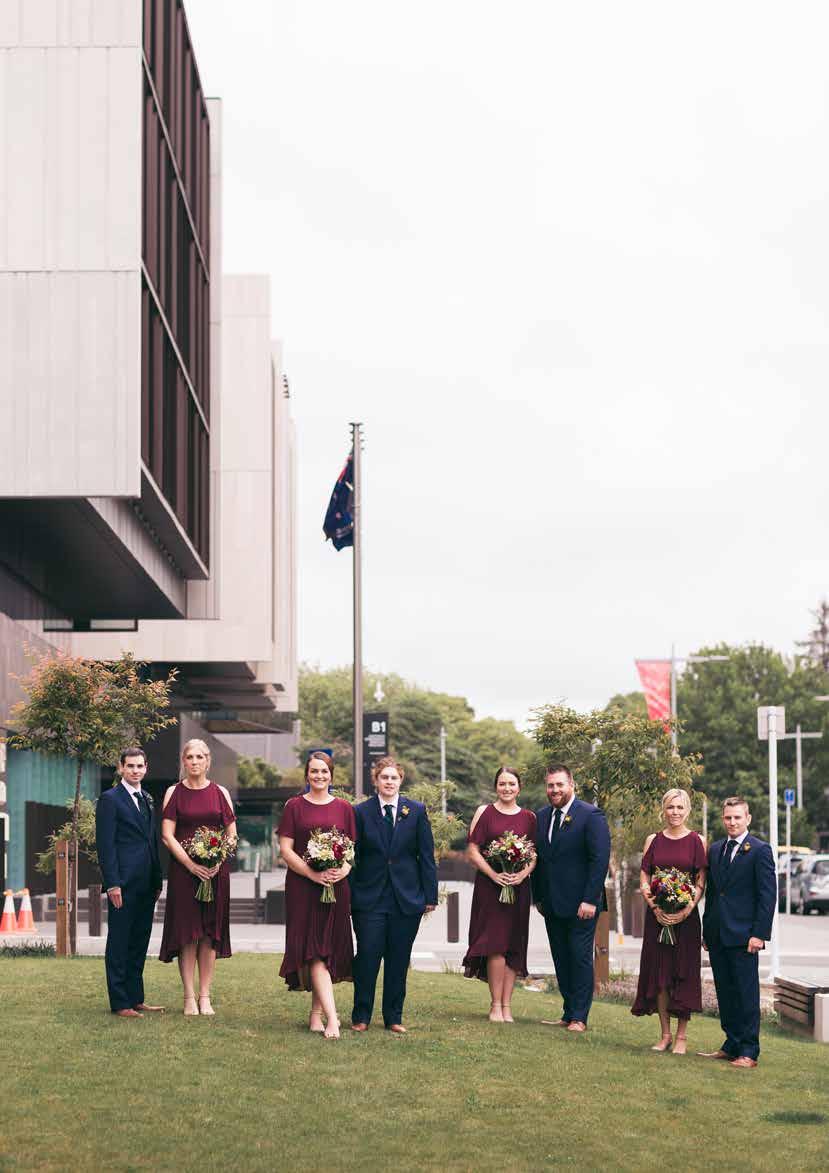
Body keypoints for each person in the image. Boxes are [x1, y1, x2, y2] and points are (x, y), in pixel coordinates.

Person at [350, 756, 437, 1033]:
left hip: (406, 898)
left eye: (394, 778)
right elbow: (353, 856)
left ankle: (394, 1018)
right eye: (384, 777)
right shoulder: (360, 812)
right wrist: (351, 894)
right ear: (375, 780)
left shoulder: (416, 811)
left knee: (398, 960)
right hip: (370, 898)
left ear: (401, 781)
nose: (389, 782)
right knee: (367, 957)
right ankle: (361, 1016)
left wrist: (430, 896)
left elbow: (426, 856)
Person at [278, 752, 356, 1039]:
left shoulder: (344, 808)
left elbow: (351, 850)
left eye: (324, 771)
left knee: (325, 950)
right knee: (314, 951)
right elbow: (286, 850)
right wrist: (312, 875)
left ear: (331, 775)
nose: (319, 776)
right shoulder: (294, 806)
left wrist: (343, 871)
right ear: (307, 775)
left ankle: (315, 1014)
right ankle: (333, 1019)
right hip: (303, 888)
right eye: (314, 771)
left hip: (336, 889)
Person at [531, 762, 611, 1033]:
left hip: (582, 904)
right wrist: (538, 897)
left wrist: (590, 899)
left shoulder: (591, 815)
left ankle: (579, 1017)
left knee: (579, 957)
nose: (554, 790)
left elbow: (599, 860)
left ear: (571, 785)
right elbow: (541, 860)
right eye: (550, 785)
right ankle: (568, 1012)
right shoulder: (542, 816)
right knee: (561, 958)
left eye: (559, 785)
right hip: (551, 903)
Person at [159, 739, 237, 1015]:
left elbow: (231, 834)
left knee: (209, 935)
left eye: (199, 757)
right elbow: (167, 835)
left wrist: (218, 859)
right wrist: (191, 865)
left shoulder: (220, 793)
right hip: (184, 874)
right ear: (184, 761)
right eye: (190, 757)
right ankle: (189, 997)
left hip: (215, 873)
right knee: (187, 934)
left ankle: (205, 996)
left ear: (208, 761)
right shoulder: (174, 792)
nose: (194, 762)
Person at [700, 796, 776, 1068]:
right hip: (718, 934)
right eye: (728, 817)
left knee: (746, 995)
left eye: (737, 817)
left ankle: (748, 1051)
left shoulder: (760, 850)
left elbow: (767, 896)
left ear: (748, 819)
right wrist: (707, 930)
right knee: (726, 993)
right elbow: (713, 894)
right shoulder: (715, 850)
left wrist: (759, 934)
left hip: (745, 936)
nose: (732, 822)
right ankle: (731, 1044)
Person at [631, 789, 707, 1053]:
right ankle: (665, 1035)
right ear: (663, 810)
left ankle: (682, 1037)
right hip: (658, 917)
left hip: (686, 920)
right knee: (660, 975)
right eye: (671, 807)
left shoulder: (698, 841)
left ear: (688, 811)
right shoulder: (653, 840)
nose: (675, 812)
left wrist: (687, 908)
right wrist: (654, 905)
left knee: (683, 975)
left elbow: (700, 881)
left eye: (680, 807)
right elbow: (645, 875)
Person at [463, 767, 537, 1022]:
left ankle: (507, 1006)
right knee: (495, 944)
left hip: (518, 889)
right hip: (490, 888)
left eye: (511, 784)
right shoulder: (484, 812)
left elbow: (533, 854)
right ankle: (495, 1005)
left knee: (514, 944)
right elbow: (473, 850)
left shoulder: (529, 817)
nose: (507, 788)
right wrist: (494, 875)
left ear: (519, 787)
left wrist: (523, 874)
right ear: (496, 786)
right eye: (502, 783)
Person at [95, 747, 164, 1017]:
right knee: (120, 942)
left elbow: (151, 841)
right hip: (122, 884)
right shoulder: (110, 799)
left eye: (140, 766)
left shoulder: (147, 798)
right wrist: (112, 883)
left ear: (146, 768)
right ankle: (120, 1002)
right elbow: (106, 845)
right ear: (121, 768)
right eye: (130, 766)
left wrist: (157, 880)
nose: (135, 770)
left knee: (139, 942)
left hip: (147, 882)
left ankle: (136, 998)